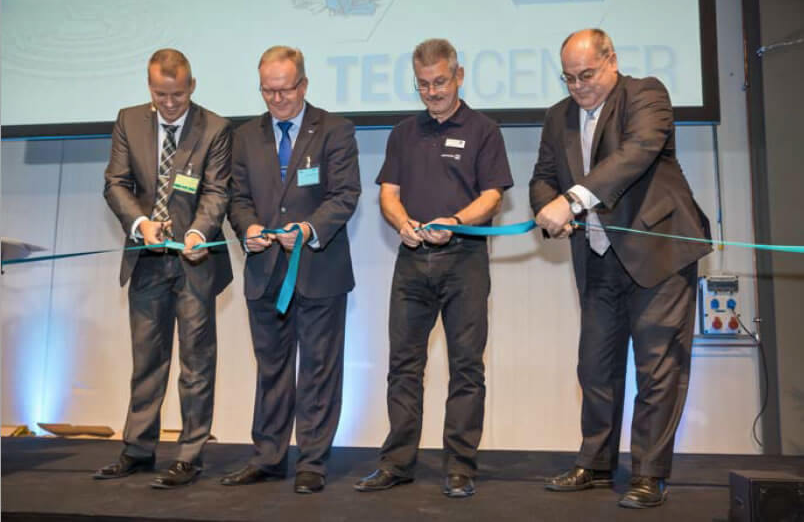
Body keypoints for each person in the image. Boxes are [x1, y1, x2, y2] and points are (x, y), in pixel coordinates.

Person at [529, 29, 711, 508]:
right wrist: (549, 211)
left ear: (611, 60)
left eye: (587, 74)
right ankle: (596, 463)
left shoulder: (646, 93)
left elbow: (637, 153)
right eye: (569, 78)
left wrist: (571, 201)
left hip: (658, 254)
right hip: (598, 258)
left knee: (657, 367)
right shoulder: (557, 117)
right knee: (594, 366)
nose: (578, 86)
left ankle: (649, 473)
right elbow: (544, 176)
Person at [354, 38, 513, 498]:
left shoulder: (484, 129)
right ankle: (397, 463)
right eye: (423, 84)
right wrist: (400, 221)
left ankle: (460, 467)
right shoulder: (403, 133)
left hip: (464, 260)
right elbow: (388, 192)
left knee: (466, 368)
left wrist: (457, 221)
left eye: (440, 82)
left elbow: (493, 196)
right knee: (403, 367)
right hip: (411, 262)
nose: (432, 91)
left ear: (459, 76)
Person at [224, 46, 361, 494]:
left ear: (303, 84)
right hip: (265, 270)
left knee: (320, 368)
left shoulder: (335, 130)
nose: (277, 99)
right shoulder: (244, 136)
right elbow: (236, 197)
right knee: (271, 368)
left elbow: (345, 195)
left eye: (285, 89)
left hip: (319, 269)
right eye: (268, 90)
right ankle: (268, 457)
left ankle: (313, 462)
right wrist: (249, 228)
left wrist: (307, 228)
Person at [96, 48, 232, 488]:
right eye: (160, 95)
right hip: (148, 259)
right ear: (149, 88)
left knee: (196, 363)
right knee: (147, 359)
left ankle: (190, 454)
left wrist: (198, 232)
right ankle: (137, 449)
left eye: (177, 95)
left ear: (191, 87)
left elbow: (216, 191)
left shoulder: (215, 128)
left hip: (194, 261)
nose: (169, 104)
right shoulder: (129, 120)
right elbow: (115, 182)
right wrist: (139, 223)